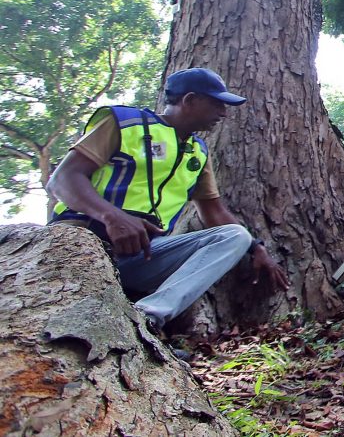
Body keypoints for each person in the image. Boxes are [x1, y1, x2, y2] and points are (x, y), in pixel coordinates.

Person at [47, 67, 290, 333]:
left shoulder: (196, 153)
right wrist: (113, 216)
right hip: (84, 242)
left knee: (234, 235)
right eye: (216, 103)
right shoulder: (125, 123)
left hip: (142, 255)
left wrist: (256, 248)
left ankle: (146, 318)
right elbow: (62, 179)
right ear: (189, 100)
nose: (223, 113)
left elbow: (214, 213)